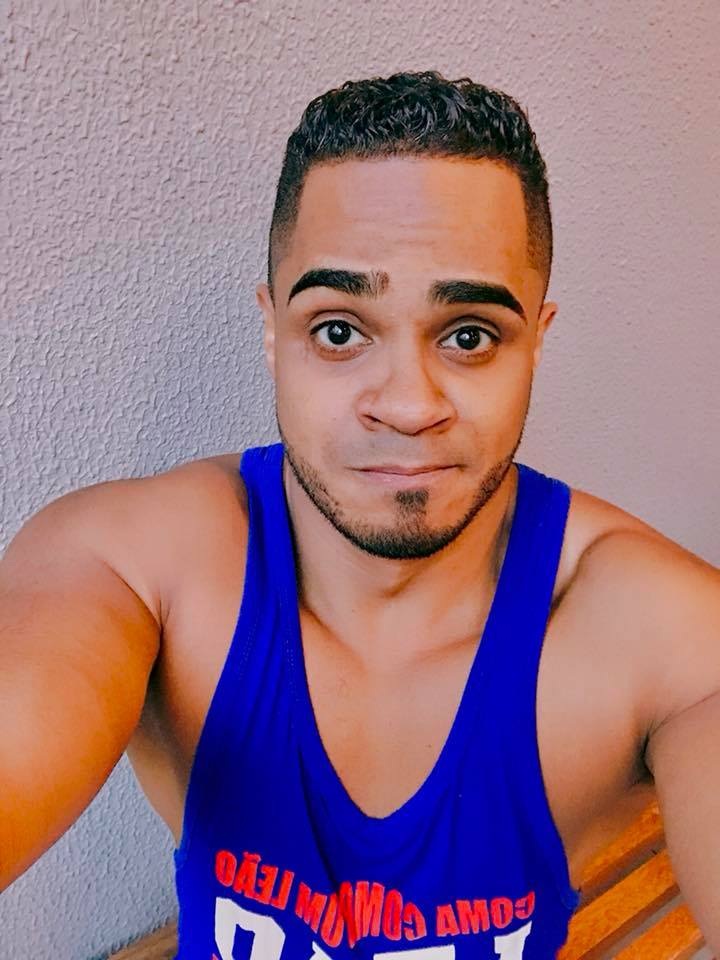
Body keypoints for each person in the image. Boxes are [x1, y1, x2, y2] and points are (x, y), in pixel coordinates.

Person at [1, 70, 718, 959]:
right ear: (273, 331)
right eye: (339, 330)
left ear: (536, 338)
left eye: (468, 334)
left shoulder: (661, 635)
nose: (408, 405)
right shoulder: (130, 567)